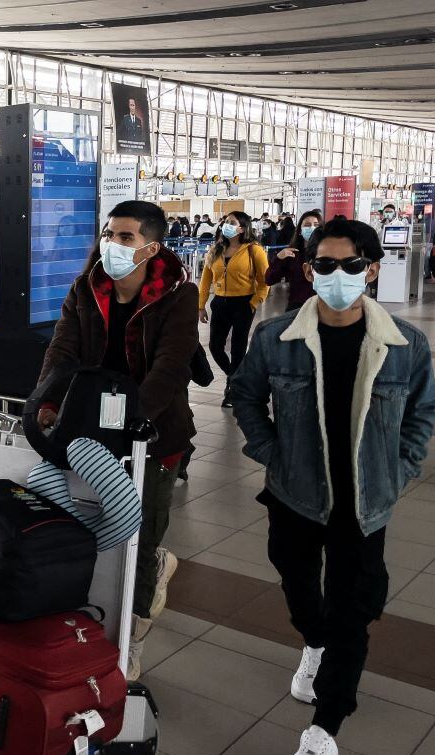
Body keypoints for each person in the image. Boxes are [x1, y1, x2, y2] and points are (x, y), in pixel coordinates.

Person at [229, 216, 435, 755]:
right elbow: (244, 395)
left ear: (370, 269)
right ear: (308, 268)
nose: (336, 275)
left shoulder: (405, 343)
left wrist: (401, 467)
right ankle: (313, 640)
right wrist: (271, 451)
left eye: (349, 265)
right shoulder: (275, 339)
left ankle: (324, 727)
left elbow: (422, 412)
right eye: (324, 265)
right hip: (295, 494)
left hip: (365, 501)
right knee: (298, 584)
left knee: (353, 608)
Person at [38, 200, 198, 680]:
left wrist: (133, 422)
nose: (113, 244)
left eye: (126, 237)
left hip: (153, 432)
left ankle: (133, 633)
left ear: (152, 247)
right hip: (90, 426)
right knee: (80, 522)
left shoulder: (177, 295)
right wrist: (45, 403)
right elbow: (61, 350)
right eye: (110, 234)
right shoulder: (87, 289)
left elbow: (171, 367)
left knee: (140, 536)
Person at [198, 211, 269, 407]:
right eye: (225, 222)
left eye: (231, 222)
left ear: (241, 228)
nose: (225, 225)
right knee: (215, 346)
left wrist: (255, 301)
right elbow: (205, 280)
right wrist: (201, 305)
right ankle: (237, 378)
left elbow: (265, 280)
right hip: (220, 302)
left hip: (243, 303)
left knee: (238, 347)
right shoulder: (216, 250)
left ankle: (232, 389)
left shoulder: (253, 250)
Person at [267, 210, 321, 312]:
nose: (312, 228)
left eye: (316, 225)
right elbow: (269, 279)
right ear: (300, 230)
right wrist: (278, 258)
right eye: (307, 225)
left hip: (323, 307)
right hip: (297, 308)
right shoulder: (292, 254)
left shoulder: (328, 254)